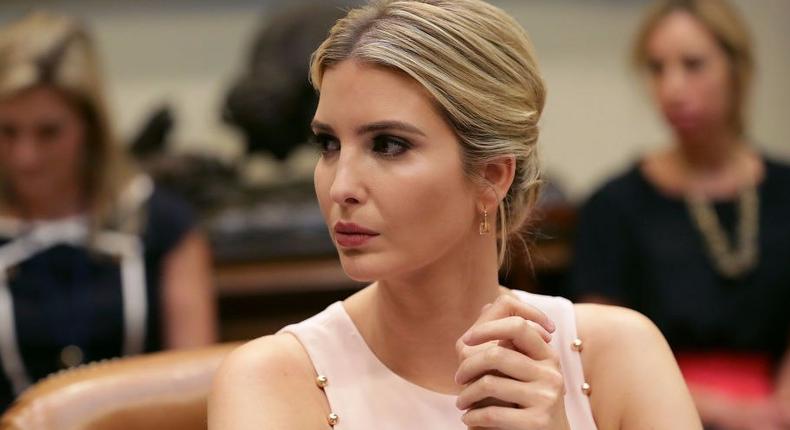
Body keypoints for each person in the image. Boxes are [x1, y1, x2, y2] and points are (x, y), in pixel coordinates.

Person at [209, 1, 702, 428]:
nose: (341, 187)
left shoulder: (618, 353)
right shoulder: (270, 380)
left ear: (491, 176)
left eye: (388, 145)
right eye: (328, 144)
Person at [569, 0, 790, 428]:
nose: (672, 88)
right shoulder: (615, 204)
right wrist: (730, 413)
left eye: (693, 65)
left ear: (737, 69)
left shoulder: (786, 190)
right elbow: (593, 351)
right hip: (655, 411)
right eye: (656, 68)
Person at [0, 12, 217, 411]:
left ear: (90, 128)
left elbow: (194, 391)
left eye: (48, 132)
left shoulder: (164, 224)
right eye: (7, 132)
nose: (24, 157)